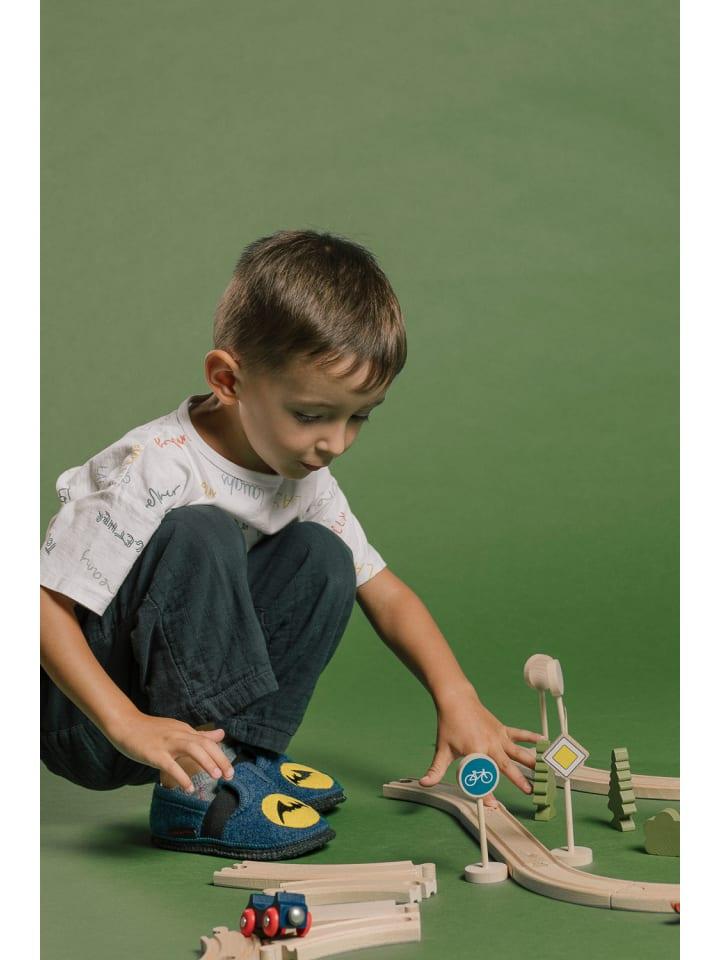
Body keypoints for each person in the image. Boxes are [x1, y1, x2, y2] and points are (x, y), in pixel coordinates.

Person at [40, 229, 541, 860]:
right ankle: (197, 794)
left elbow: (385, 594)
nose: (336, 442)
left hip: (177, 712)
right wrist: (126, 723)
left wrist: (456, 695)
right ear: (228, 379)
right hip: (89, 719)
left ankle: (243, 760)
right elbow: (39, 605)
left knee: (324, 556)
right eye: (311, 415)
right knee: (202, 530)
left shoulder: (304, 478)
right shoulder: (156, 465)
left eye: (359, 416)